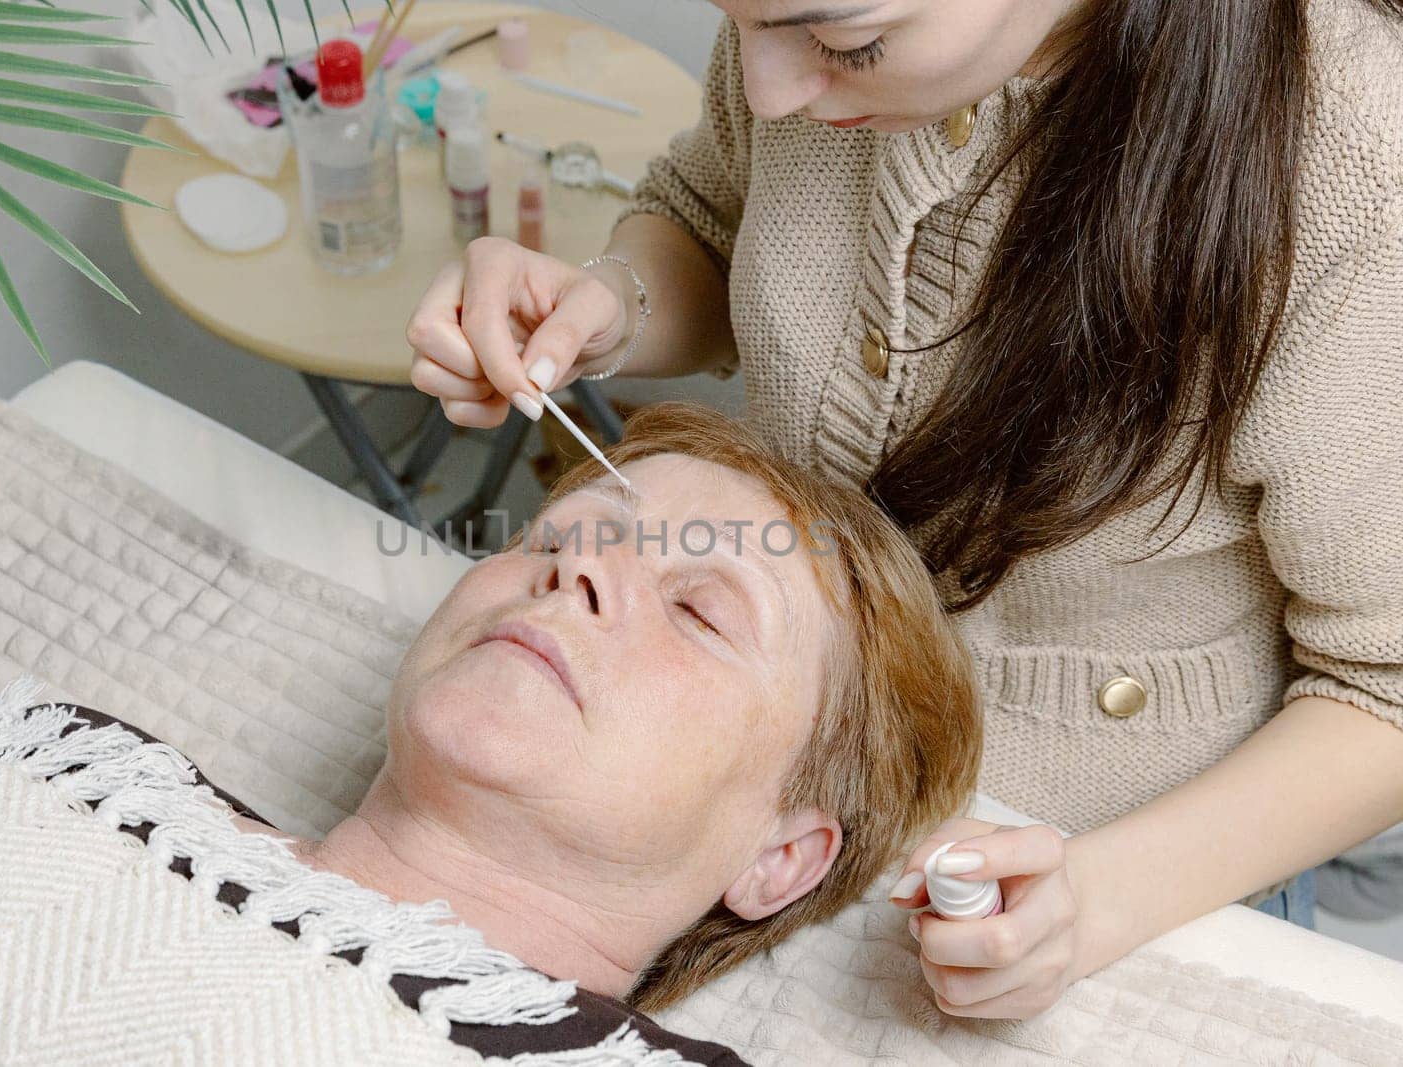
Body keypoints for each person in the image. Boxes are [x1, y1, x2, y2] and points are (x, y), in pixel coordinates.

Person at [404, 0, 1403, 1021]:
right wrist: (604, 307)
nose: (769, 91)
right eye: (738, 21)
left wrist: (1098, 898)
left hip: (1126, 885)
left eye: (847, 42)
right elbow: (710, 211)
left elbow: (1389, 686)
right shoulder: (788, 39)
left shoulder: (1355, 177)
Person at [51, 402, 982, 1060]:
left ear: (781, 856)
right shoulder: (57, 769)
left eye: (700, 610)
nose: (576, 567)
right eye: (554, 536)